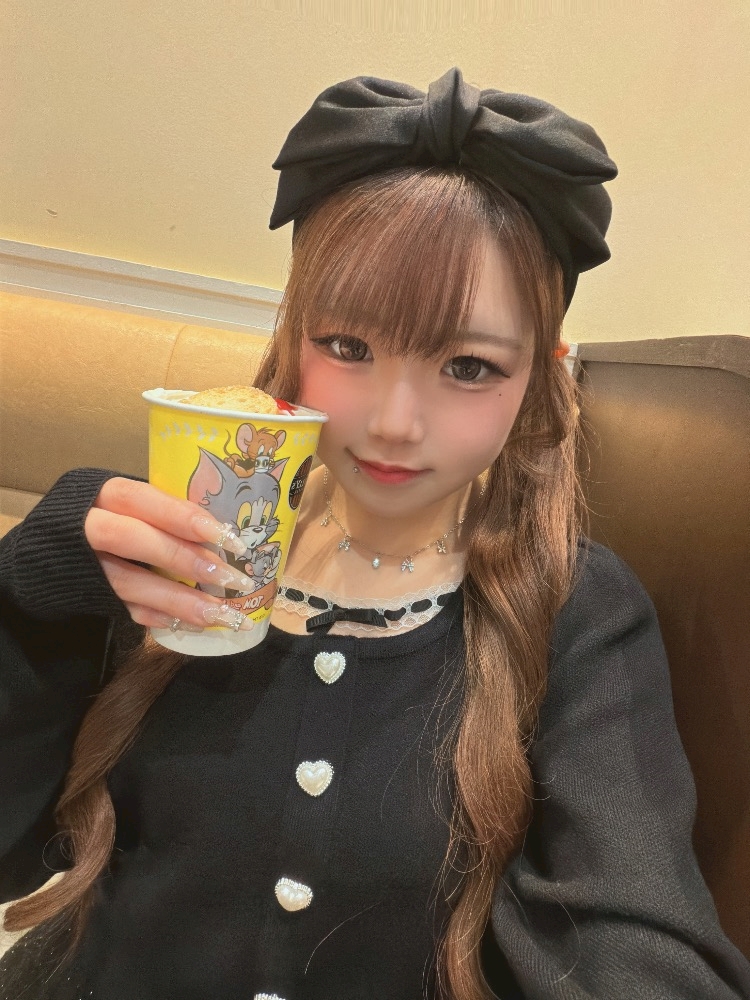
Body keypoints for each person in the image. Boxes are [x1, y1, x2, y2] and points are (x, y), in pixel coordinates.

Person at [1, 68, 749, 1000]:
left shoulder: (576, 611)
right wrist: (28, 589)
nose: (395, 424)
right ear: (295, 338)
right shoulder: (165, 543)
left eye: (468, 366)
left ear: (540, 376)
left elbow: (637, 932)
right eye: (348, 348)